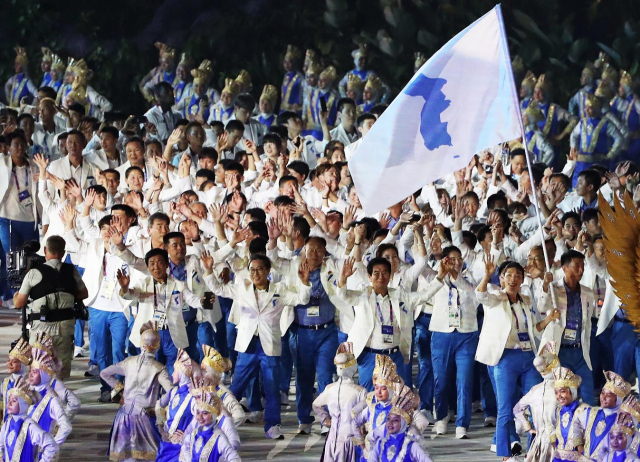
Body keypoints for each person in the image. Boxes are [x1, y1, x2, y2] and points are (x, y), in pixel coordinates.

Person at [202, 252, 312, 439]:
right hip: (248, 344)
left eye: (259, 269)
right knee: (236, 385)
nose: (255, 273)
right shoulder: (242, 288)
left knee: (271, 386)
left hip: (269, 345)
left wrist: (304, 282)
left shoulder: (279, 289)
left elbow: (302, 299)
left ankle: (272, 425)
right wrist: (208, 270)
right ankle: (217, 419)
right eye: (252, 269)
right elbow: (219, 289)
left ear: (268, 271)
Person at [476, 260, 559, 459]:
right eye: (509, 275)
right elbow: (480, 295)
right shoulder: (496, 297)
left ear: (522, 280)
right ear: (502, 278)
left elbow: (532, 331)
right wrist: (487, 275)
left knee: (536, 405)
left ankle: (534, 451)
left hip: (528, 357)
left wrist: (548, 319)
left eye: (518, 276)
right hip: (505, 358)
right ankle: (505, 454)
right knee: (505, 408)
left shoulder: (526, 300)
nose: (513, 279)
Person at [337, 256, 449, 390]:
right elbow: (343, 296)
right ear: (369, 276)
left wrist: (440, 276)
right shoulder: (362, 295)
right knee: (369, 397)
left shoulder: (399, 295)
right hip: (370, 356)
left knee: (396, 398)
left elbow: (423, 296)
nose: (381, 276)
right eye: (376, 273)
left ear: (390, 276)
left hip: (394, 355)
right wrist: (343, 279)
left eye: (385, 273)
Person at [14, 235, 88, 379]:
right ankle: (58, 395)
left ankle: (42, 399)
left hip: (42, 328)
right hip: (65, 328)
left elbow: (19, 303)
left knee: (39, 368)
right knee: (61, 367)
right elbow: (84, 294)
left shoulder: (34, 273)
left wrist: (17, 294)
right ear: (63, 252)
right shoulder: (70, 271)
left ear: (46, 250)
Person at [539, 250, 596, 405]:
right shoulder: (553, 288)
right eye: (576, 265)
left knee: (587, 395)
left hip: (580, 351)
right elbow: (541, 306)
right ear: (564, 268)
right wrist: (545, 285)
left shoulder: (588, 292)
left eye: (582, 266)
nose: (581, 270)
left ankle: (587, 427)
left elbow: (588, 321)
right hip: (559, 351)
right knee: (562, 397)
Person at [0, 131, 39, 305]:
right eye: (15, 144)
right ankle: (13, 294)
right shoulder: (2, 163)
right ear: (8, 148)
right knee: (12, 257)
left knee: (28, 258)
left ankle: (27, 292)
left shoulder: (34, 166)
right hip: (6, 218)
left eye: (22, 144)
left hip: (30, 219)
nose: (19, 147)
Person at [312, 342, 367, 462]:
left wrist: (325, 419)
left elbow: (316, 404)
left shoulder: (329, 388)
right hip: (352, 440)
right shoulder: (360, 391)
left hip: (332, 439)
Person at [512, 341, 560, 462]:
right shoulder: (564, 390)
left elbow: (517, 409)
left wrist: (528, 428)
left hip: (539, 442)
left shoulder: (534, 391)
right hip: (559, 442)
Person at [368, 386, 434, 462]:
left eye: (395, 420)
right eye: (388, 419)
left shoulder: (412, 445)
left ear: (403, 423)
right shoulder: (380, 444)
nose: (390, 423)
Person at [569, 94, 623, 186]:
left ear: (597, 108)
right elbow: (574, 135)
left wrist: (611, 154)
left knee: (596, 187)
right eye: (586, 107)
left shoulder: (606, 124)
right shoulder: (582, 122)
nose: (586, 110)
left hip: (598, 164)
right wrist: (574, 149)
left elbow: (619, 138)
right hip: (581, 164)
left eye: (590, 108)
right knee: (578, 186)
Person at [0, 377, 59, 461]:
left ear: (23, 404)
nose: (9, 403)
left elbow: (52, 446)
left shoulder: (30, 426)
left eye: (14, 400)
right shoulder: (7, 423)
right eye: (9, 400)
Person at [577, 370, 631, 460]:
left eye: (608, 395)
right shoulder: (592, 412)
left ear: (617, 400)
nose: (603, 397)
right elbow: (576, 422)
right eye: (602, 393)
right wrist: (579, 445)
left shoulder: (623, 422)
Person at [155, 348, 196, 462]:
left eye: (175, 371)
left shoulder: (194, 396)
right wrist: (160, 425)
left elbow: (201, 420)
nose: (172, 374)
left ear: (182, 373)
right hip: (166, 443)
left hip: (182, 446)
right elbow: (159, 405)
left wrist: (188, 436)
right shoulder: (173, 391)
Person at [178, 390, 241, 462]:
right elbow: (185, 448)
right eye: (198, 413)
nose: (200, 417)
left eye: (205, 413)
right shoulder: (193, 435)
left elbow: (234, 457)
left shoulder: (219, 438)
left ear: (213, 415)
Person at [27, 349, 72, 446]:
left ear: (44, 375)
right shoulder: (29, 392)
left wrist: (52, 446)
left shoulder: (52, 400)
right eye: (30, 371)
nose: (30, 374)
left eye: (34, 372)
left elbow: (66, 426)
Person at [551, 366, 589, 462]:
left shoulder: (584, 410)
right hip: (558, 458)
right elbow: (552, 429)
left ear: (572, 392)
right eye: (556, 393)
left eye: (563, 391)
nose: (559, 396)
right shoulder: (558, 410)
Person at [1, 338, 32, 422]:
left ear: (22, 364)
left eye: (14, 361)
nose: (9, 364)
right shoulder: (6, 382)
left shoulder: (30, 383)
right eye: (8, 361)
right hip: (7, 426)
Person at [280, 45, 304, 113]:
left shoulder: (300, 77)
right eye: (285, 62)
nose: (287, 64)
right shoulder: (286, 76)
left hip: (295, 110)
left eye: (289, 62)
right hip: (284, 109)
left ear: (294, 62)